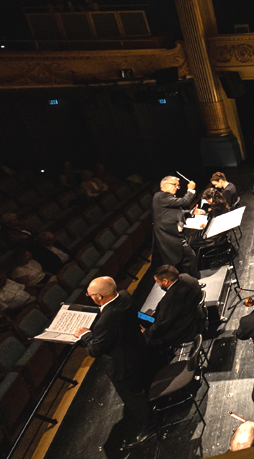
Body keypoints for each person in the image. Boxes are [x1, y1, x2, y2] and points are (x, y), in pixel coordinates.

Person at [74, 277, 156, 448]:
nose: (90, 297)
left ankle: (149, 426)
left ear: (99, 297)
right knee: (142, 384)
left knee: (133, 396)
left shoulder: (106, 320)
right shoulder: (125, 296)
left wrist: (84, 335)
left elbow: (96, 349)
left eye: (90, 295)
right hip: (138, 350)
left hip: (123, 364)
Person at [145, 264, 204, 361]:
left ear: (165, 281)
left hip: (185, 328)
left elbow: (161, 325)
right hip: (191, 316)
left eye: (157, 282)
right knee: (149, 318)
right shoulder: (186, 277)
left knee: (149, 340)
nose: (157, 285)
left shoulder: (171, 299)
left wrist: (147, 332)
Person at [153, 176, 199, 277]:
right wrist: (190, 190)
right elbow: (185, 201)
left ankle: (190, 280)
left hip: (175, 235)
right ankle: (192, 281)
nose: (176, 188)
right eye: (174, 185)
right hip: (169, 236)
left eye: (177, 186)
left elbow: (176, 212)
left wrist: (191, 212)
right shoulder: (161, 196)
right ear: (164, 185)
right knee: (187, 258)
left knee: (186, 259)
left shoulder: (166, 197)